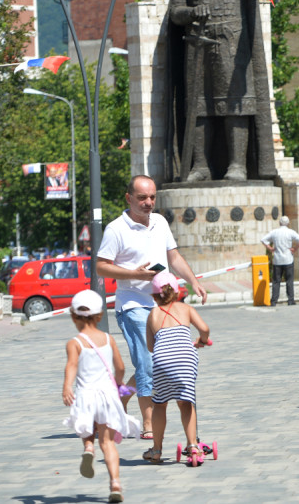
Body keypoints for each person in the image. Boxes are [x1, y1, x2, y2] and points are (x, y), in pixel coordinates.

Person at [167, 0, 292, 182]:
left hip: (235, 47)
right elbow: (176, 12)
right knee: (199, 108)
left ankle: (237, 165)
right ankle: (200, 166)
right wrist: (191, 13)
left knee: (236, 105)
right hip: (198, 47)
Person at [96, 175, 207, 440]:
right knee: (146, 363)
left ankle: (118, 397)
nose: (148, 203)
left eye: (152, 197)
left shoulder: (159, 222)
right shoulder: (116, 229)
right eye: (142, 198)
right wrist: (134, 274)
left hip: (164, 303)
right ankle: (148, 424)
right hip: (133, 304)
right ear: (128, 198)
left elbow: (173, 256)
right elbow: (100, 266)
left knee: (158, 364)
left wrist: (193, 281)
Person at [62, 290, 140, 502]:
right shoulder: (107, 338)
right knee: (108, 443)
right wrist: (118, 382)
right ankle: (115, 484)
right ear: (100, 316)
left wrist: (67, 387)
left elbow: (71, 366)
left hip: (86, 395)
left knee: (86, 427)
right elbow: (121, 366)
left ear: (73, 316)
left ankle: (88, 446)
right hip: (107, 395)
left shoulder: (74, 343)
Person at [142, 272, 210, 465]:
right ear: (177, 291)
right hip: (186, 359)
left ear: (154, 296)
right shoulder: (185, 308)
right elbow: (204, 329)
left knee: (160, 404)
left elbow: (150, 346)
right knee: (186, 402)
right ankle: (193, 445)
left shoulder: (152, 315)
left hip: (162, 360)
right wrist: (202, 341)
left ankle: (156, 449)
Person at [261, 216, 299, 305]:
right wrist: (295, 248)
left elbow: (263, 240)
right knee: (289, 280)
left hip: (277, 259)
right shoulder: (290, 232)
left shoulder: (275, 232)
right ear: (288, 223)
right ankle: (290, 300)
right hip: (288, 259)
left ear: (279, 223)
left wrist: (270, 248)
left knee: (276, 281)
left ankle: (274, 300)